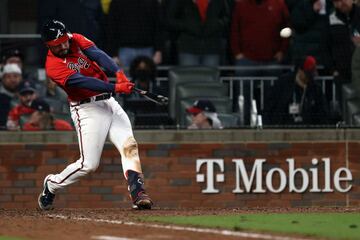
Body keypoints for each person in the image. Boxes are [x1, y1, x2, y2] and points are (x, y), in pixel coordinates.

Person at [37, 19, 153, 211]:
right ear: (48, 45)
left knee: (129, 145)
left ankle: (138, 192)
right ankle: (51, 184)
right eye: (59, 44)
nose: (65, 45)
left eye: (65, 40)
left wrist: (119, 73)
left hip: (108, 102)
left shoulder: (75, 39)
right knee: (88, 164)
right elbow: (82, 82)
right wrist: (116, 86)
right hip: (87, 109)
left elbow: (97, 54)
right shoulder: (53, 66)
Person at [263, 56, 330, 125]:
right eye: (307, 74)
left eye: (312, 74)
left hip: (308, 129)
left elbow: (323, 113)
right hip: (284, 127)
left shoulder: (316, 89)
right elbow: (270, 106)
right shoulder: (283, 83)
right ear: (299, 70)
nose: (310, 77)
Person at [166, 0, 231, 66]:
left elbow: (226, 17)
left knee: (210, 75)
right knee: (189, 75)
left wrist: (217, 24)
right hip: (188, 47)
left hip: (212, 47)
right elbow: (170, 19)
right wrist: (187, 25)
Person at [106, 0, 164, 67]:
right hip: (124, 50)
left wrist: (158, 51)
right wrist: (113, 54)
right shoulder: (116, 2)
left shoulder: (153, 2)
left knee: (146, 77)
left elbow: (158, 27)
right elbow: (111, 28)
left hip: (147, 49)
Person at [327, 0, 360, 111]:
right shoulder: (330, 19)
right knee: (347, 112)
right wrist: (333, 70)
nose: (340, 4)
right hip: (342, 75)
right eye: (336, 2)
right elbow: (325, 47)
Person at [0, 64, 23, 130]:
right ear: (3, 79)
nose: (12, 80)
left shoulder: (28, 95)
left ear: (21, 78)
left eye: (15, 76)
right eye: (8, 77)